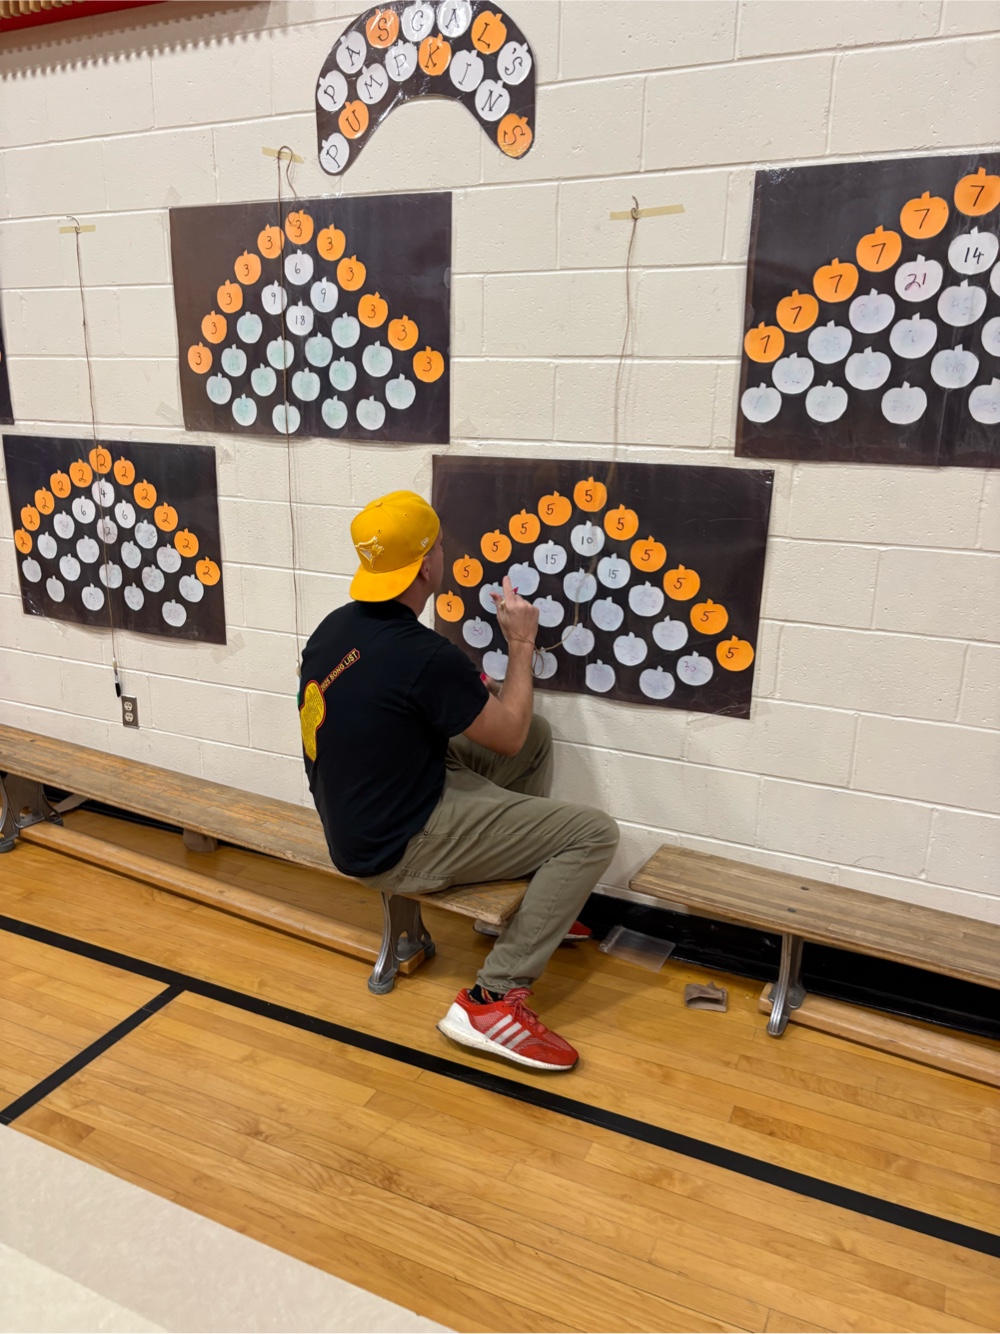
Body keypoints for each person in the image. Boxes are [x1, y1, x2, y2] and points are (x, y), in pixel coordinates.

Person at [298, 490, 619, 1072]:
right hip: (395, 845)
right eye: (441, 546)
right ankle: (492, 1000)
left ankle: (519, 909)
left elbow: (391, 709)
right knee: (592, 833)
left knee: (539, 733)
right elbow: (507, 736)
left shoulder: (336, 627)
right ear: (427, 566)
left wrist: (464, 696)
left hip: (360, 812)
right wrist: (521, 643)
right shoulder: (424, 655)